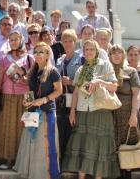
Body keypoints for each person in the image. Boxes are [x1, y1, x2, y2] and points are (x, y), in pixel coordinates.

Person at [62, 40, 120, 179]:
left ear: (97, 51)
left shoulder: (105, 65)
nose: (89, 52)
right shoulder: (81, 69)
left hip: (101, 111)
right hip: (83, 112)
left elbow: (114, 87)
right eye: (86, 49)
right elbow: (76, 92)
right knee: (83, 147)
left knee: (99, 148)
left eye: (91, 49)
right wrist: (72, 111)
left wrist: (99, 81)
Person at [14, 42, 62, 179]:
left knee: (45, 146)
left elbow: (59, 91)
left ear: (48, 55)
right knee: (32, 144)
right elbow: (31, 91)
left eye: (42, 52)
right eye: (36, 52)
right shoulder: (33, 71)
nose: (38, 55)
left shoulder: (53, 71)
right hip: (33, 113)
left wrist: (44, 100)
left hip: (46, 113)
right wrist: (27, 101)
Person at [0, 30, 34, 169]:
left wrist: (31, 100)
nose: (14, 42)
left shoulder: (30, 58)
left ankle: (23, 160)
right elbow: (0, 77)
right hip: (7, 96)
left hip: (25, 97)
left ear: (22, 39)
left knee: (24, 128)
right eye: (11, 40)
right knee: (9, 128)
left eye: (16, 39)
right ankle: (9, 160)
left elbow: (34, 81)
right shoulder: (4, 58)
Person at [109, 45, 140, 179]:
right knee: (113, 147)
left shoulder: (131, 71)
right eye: (113, 53)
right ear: (110, 55)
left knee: (128, 147)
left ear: (123, 55)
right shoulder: (106, 71)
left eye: (119, 52)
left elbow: (136, 95)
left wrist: (134, 114)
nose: (116, 55)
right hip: (111, 115)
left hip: (128, 114)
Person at [56, 29, 81, 160]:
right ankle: (62, 159)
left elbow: (84, 82)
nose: (67, 43)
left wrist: (70, 81)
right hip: (62, 100)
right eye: (65, 41)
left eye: (70, 41)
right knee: (61, 129)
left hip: (76, 99)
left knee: (73, 130)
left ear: (75, 42)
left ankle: (72, 161)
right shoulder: (60, 60)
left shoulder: (81, 58)